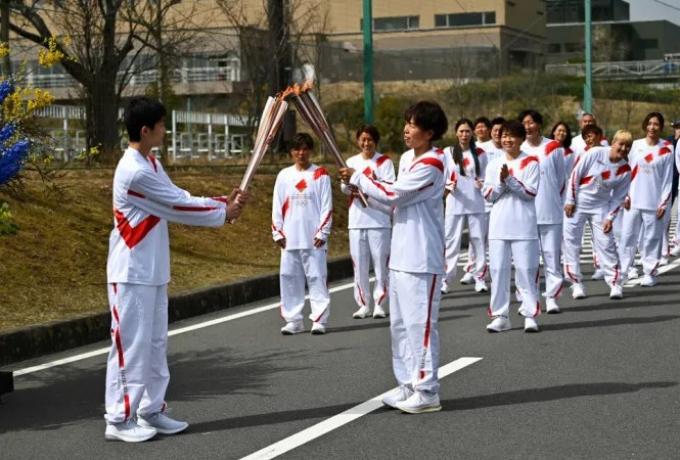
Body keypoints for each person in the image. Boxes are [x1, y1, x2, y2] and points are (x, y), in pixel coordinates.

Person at [105, 97, 248, 442]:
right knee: (132, 346)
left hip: (153, 270)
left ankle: (150, 410)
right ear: (145, 130)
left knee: (154, 344)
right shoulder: (134, 171)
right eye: (161, 125)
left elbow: (176, 194)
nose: (165, 131)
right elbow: (175, 205)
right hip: (131, 273)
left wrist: (222, 204)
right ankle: (119, 418)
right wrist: (224, 212)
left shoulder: (150, 163)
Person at [339, 101, 448, 414]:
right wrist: (359, 192)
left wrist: (359, 178)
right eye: (406, 122)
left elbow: (394, 194)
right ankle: (407, 386)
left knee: (420, 326)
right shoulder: (409, 160)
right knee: (399, 326)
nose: (406, 129)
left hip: (422, 257)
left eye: (413, 125)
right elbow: (392, 205)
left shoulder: (434, 163)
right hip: (400, 255)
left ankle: (427, 392)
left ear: (429, 132)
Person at [272, 133, 333, 335]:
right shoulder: (284, 176)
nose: (301, 153)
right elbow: (277, 206)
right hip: (289, 237)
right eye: (297, 149)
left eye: (305, 148)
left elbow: (326, 206)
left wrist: (323, 232)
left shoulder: (320, 174)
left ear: (310, 151)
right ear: (291, 152)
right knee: (289, 278)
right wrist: (277, 232)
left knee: (317, 277)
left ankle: (319, 320)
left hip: (313, 238)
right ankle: (294, 320)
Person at [483, 121, 541, 332]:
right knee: (498, 271)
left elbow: (530, 193)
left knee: (526, 270)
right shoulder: (493, 164)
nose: (507, 139)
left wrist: (510, 180)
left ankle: (530, 314)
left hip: (523, 226)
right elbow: (489, 195)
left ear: (521, 139)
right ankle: (501, 316)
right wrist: (501, 182)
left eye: (512, 136)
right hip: (498, 226)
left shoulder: (531, 162)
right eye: (504, 135)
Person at [563, 130, 632, 300]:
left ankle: (615, 283)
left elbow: (619, 197)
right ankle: (576, 283)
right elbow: (575, 176)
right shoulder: (595, 153)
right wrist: (570, 200)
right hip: (578, 204)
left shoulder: (625, 169)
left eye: (627, 146)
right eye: (620, 144)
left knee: (606, 244)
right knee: (571, 243)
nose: (623, 148)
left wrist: (610, 218)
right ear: (613, 142)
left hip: (600, 207)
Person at [340, 125, 395, 319]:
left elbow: (388, 188)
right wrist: (352, 187)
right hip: (356, 220)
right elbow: (344, 188)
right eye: (363, 139)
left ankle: (380, 303)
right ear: (358, 141)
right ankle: (363, 304)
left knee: (381, 264)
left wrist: (364, 185)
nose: (366, 143)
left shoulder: (384, 162)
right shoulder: (350, 161)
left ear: (375, 141)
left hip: (379, 220)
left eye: (370, 139)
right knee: (359, 265)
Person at [620, 112, 674, 286]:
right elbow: (625, 172)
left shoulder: (667, 148)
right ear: (645, 125)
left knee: (651, 238)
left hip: (653, 202)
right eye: (649, 123)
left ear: (661, 127)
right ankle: (625, 271)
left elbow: (667, 179)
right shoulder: (635, 145)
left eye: (656, 124)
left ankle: (650, 273)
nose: (652, 127)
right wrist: (625, 194)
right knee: (628, 237)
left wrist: (663, 203)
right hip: (633, 200)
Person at [520, 110, 566, 312]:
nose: (528, 127)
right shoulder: (518, 149)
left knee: (551, 257)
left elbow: (561, 180)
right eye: (524, 123)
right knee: (528, 260)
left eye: (531, 123)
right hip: (526, 214)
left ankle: (552, 298)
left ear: (538, 124)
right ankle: (530, 299)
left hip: (550, 210)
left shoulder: (553, 147)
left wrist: (557, 201)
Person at [442, 118, 488, 294]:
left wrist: (481, 183)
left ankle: (480, 278)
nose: (464, 134)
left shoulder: (481, 154)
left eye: (468, 131)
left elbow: (486, 177)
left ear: (472, 133)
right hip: (454, 202)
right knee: (451, 242)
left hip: (476, 203)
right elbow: (443, 176)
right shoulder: (448, 152)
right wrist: (447, 185)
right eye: (461, 131)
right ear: (456, 133)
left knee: (478, 241)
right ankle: (445, 280)